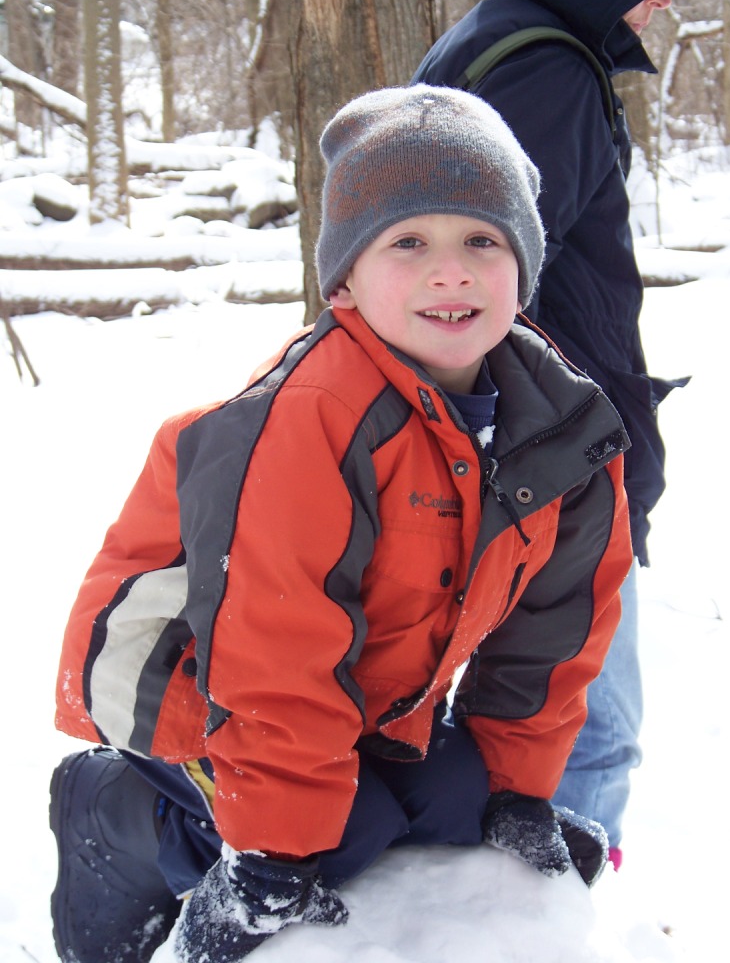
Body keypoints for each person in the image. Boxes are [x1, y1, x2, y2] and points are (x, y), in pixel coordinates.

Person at [49, 85, 633, 963]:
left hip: (358, 693)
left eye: (482, 239)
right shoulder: (312, 416)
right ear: (347, 277)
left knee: (458, 810)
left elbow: (559, 626)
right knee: (332, 840)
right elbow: (271, 639)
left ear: (525, 261)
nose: (452, 271)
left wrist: (517, 790)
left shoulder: (557, 422)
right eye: (409, 242)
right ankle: (110, 808)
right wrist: (274, 852)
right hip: (189, 678)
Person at [413, 0, 712, 867]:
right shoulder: (546, 69)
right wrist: (558, 447)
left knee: (536, 722)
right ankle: (552, 923)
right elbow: (485, 282)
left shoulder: (496, 43)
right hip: (550, 457)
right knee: (588, 734)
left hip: (521, 443)